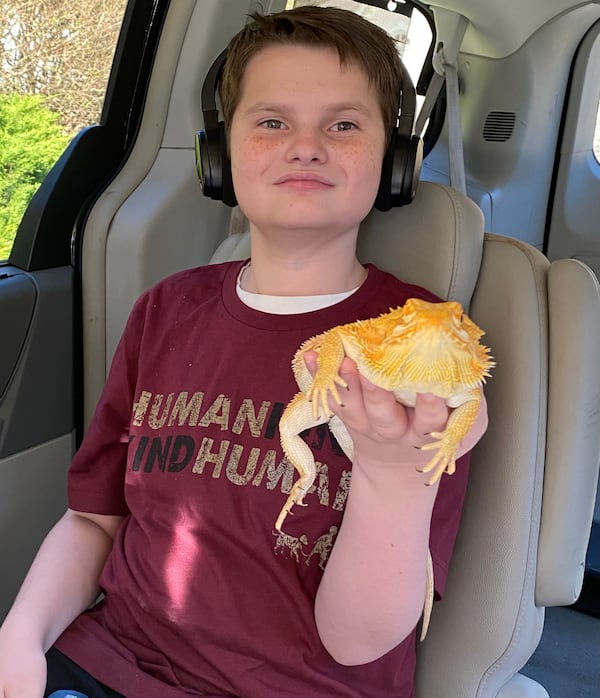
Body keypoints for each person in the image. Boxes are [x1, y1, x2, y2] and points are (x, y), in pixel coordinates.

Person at [0, 6, 488, 698]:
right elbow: (94, 518)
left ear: (396, 163)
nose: (306, 145)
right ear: (218, 155)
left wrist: (393, 477)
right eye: (271, 122)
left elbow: (358, 645)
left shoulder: (425, 346)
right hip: (103, 662)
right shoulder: (165, 310)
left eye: (344, 125)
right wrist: (20, 633)